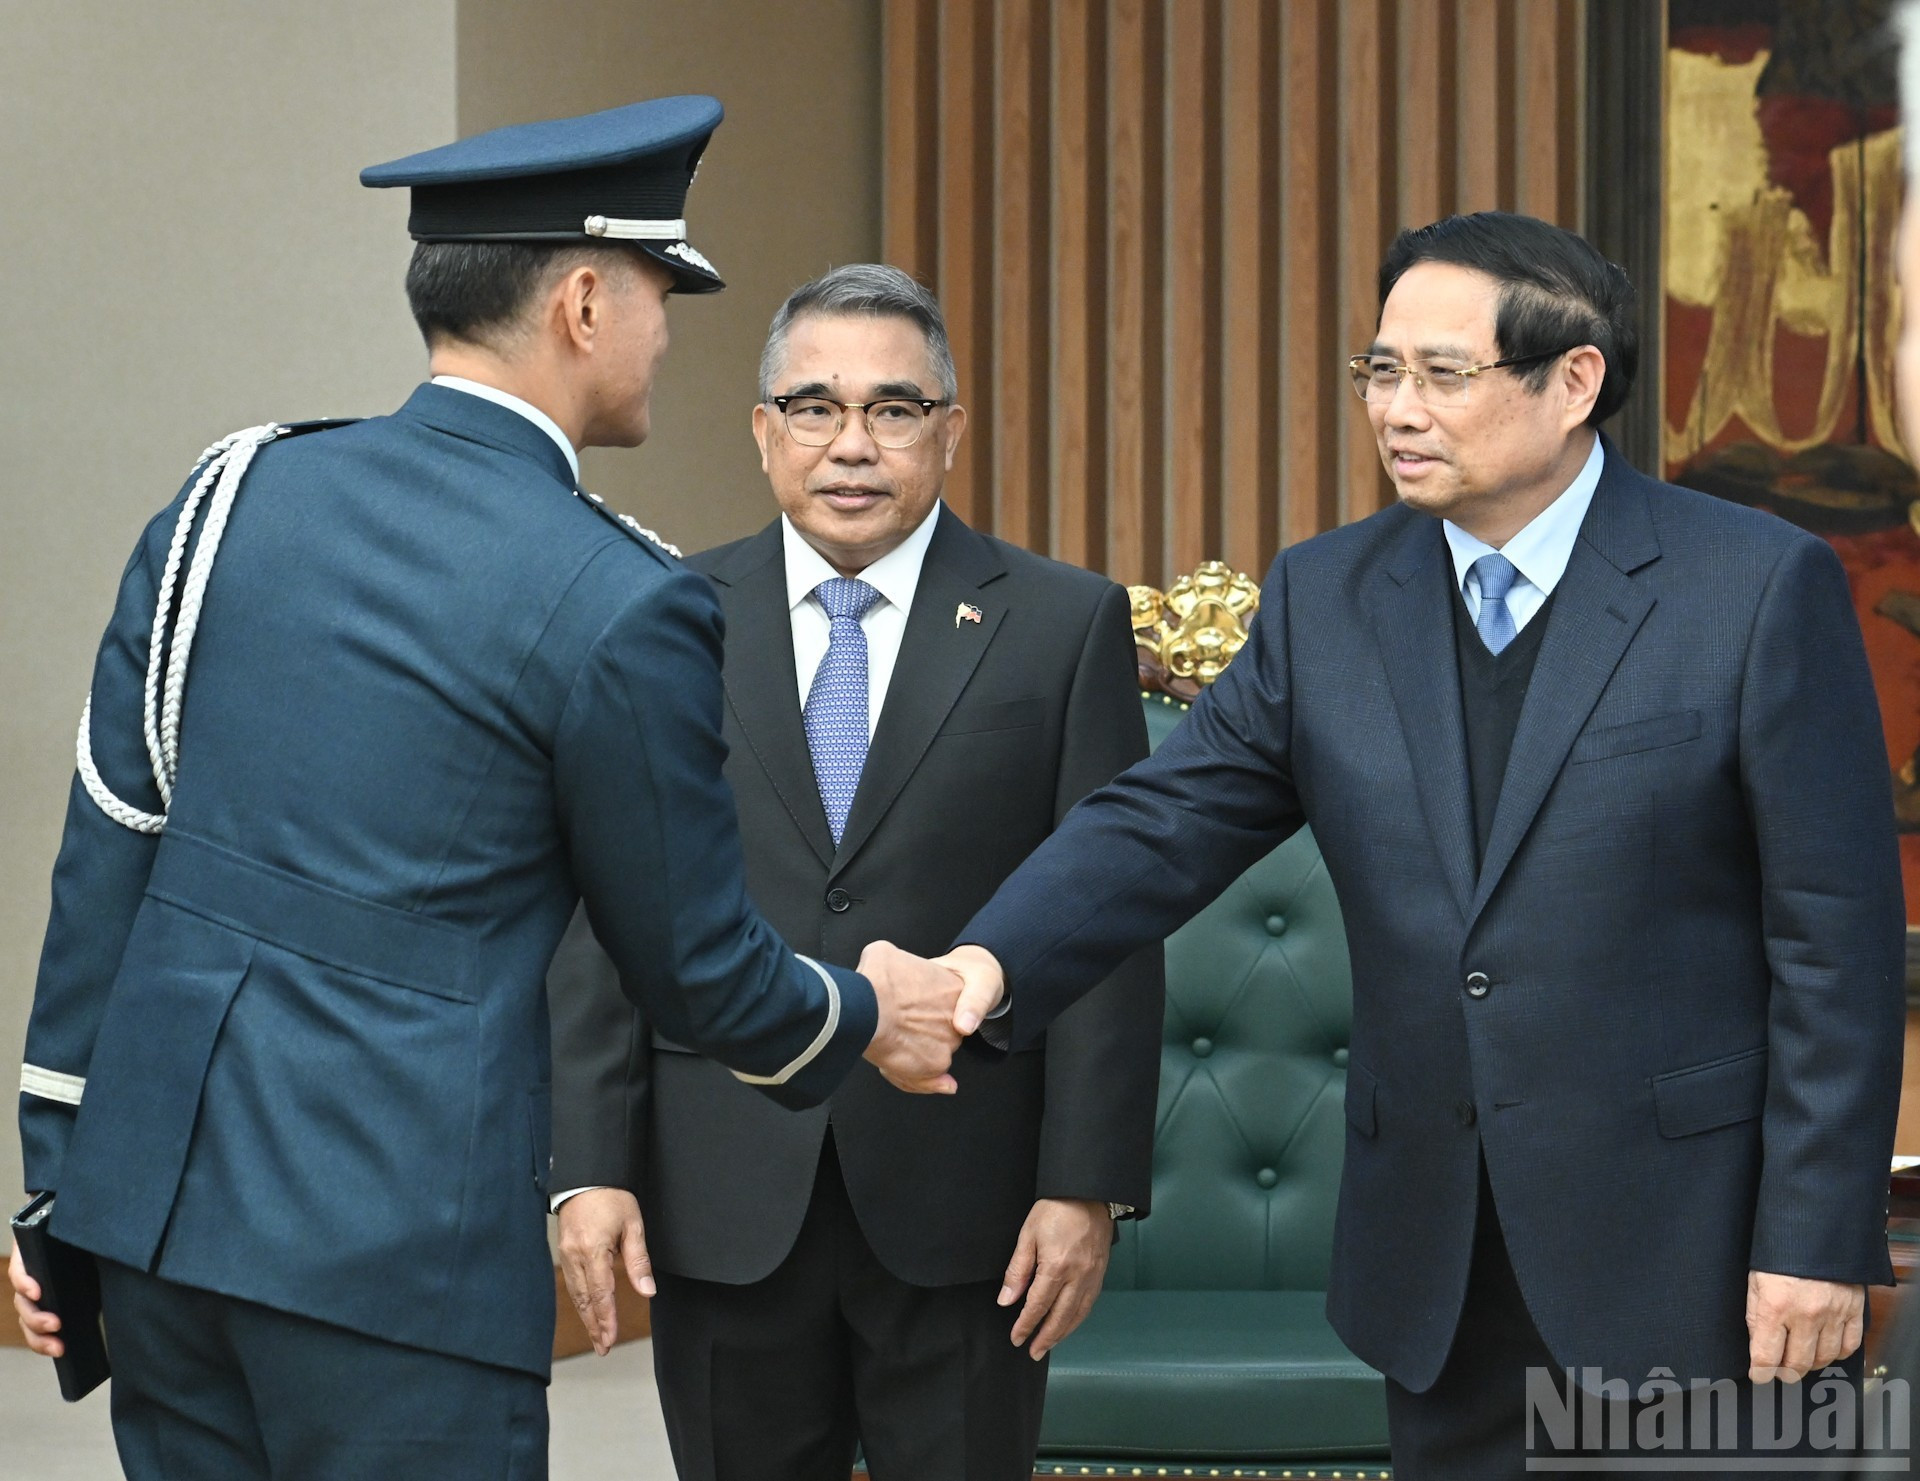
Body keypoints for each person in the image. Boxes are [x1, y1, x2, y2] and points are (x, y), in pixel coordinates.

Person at [9, 98, 964, 1481]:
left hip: (156, 1221)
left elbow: (111, 842)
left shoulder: (230, 494)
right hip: (395, 1255)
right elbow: (695, 971)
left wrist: (58, 1175)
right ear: (581, 300)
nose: (666, 334)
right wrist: (874, 1013)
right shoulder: (622, 598)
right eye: (656, 294)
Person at [934, 212, 1906, 1478]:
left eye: (1442, 374)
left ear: (1574, 382)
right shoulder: (1329, 595)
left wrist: (1819, 1235)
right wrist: (980, 970)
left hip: (1696, 1260)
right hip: (1440, 1266)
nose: (1398, 407)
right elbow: (1162, 819)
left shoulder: (1755, 587)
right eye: (1380, 371)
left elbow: (1836, 946)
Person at [545, 263, 1164, 1481]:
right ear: (764, 430)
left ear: (950, 432)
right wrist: (590, 1166)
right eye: (816, 407)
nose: (853, 445)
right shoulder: (655, 615)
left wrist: (1086, 1184)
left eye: (894, 409)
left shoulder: (1058, 621)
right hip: (723, 1186)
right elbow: (601, 915)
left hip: (970, 1199)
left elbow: (1108, 914)